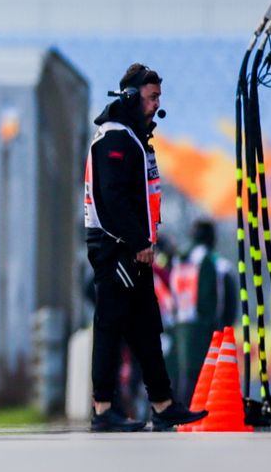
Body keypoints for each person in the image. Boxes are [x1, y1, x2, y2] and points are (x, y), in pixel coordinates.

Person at [84, 64, 209, 432]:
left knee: (145, 326)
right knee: (110, 325)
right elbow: (113, 197)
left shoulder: (133, 138)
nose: (156, 105)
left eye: (158, 98)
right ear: (130, 97)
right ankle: (103, 409)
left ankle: (163, 404)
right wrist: (138, 241)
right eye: (152, 97)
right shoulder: (115, 138)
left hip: (131, 248)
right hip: (116, 248)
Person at [170, 219, 237, 406]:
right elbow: (216, 300)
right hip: (204, 328)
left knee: (184, 379)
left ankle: (183, 414)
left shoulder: (178, 259)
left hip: (180, 326)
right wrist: (221, 326)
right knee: (204, 379)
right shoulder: (209, 261)